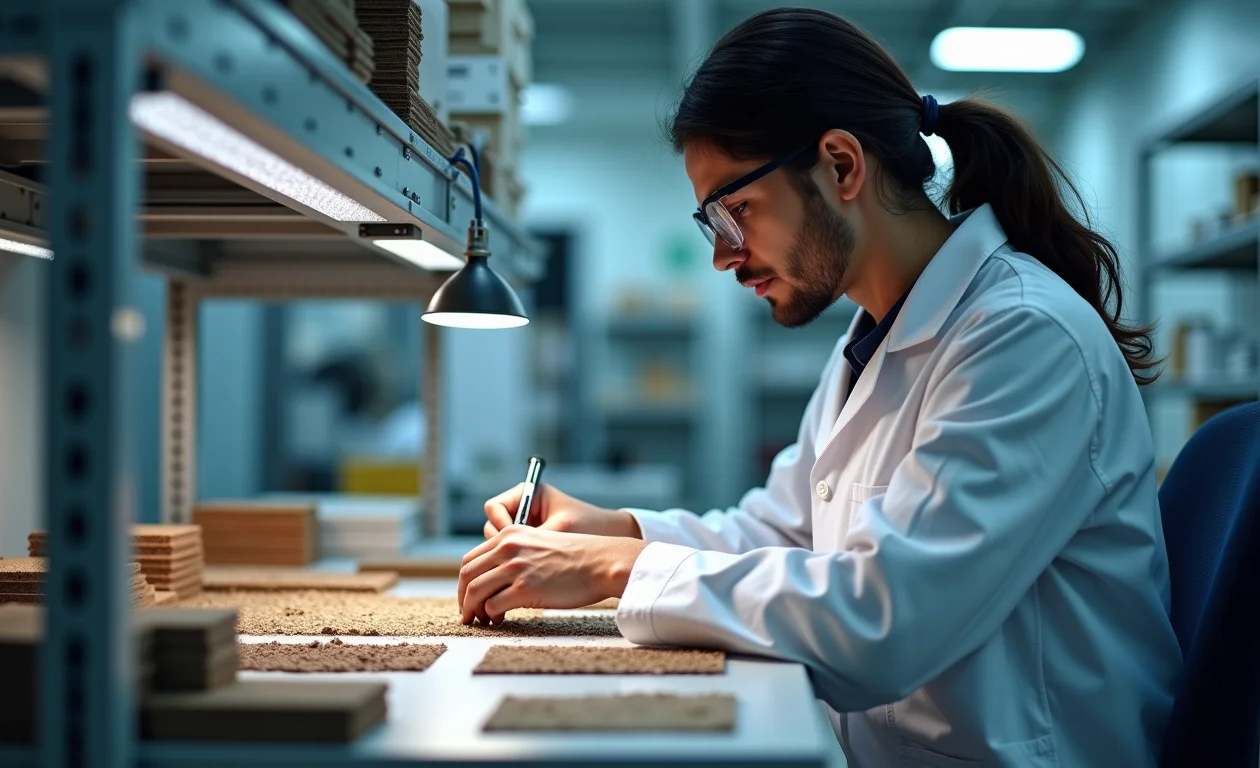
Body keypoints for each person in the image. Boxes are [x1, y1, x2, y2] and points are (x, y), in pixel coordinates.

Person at [457, 8, 1182, 767]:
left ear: (841, 166)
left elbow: (884, 625)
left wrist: (615, 571)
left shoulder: (1025, 338)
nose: (723, 258)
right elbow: (781, 534)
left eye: (735, 214)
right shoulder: (871, 340)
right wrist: (616, 530)